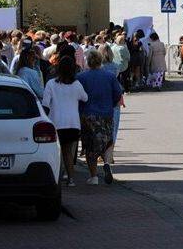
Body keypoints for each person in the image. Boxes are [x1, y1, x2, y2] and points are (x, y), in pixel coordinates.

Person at [77, 50, 123, 185]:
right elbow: (118, 93)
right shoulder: (109, 76)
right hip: (106, 113)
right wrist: (112, 104)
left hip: (88, 114)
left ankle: (94, 176)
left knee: (90, 145)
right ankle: (107, 163)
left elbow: (78, 96)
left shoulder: (81, 77)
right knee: (108, 141)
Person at [42, 56, 88, 187]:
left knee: (56, 153)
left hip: (55, 123)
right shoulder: (77, 84)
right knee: (69, 153)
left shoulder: (51, 84)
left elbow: (45, 103)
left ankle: (57, 177)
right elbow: (85, 98)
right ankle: (71, 179)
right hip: (73, 124)